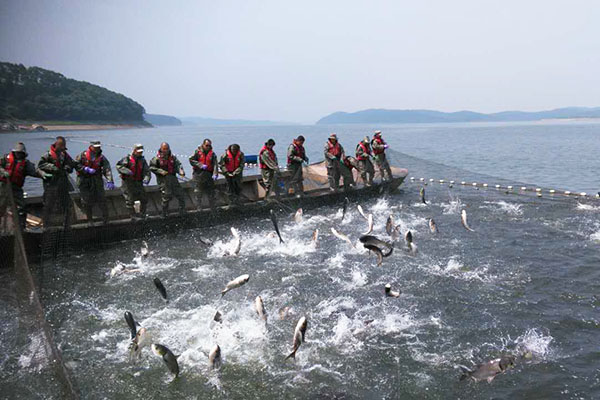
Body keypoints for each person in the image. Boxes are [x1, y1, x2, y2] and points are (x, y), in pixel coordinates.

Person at [0, 142, 47, 229]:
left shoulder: (26, 163)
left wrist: (43, 174)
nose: (19, 155)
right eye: (17, 153)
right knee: (1, 206)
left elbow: (35, 171)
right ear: (14, 152)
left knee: (21, 208)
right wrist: (3, 172)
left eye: (21, 153)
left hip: (16, 188)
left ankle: (21, 228)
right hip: (3, 186)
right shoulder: (5, 159)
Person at [38, 136, 80, 227]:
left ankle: (67, 224)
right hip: (51, 185)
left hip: (63, 184)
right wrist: (52, 168)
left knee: (67, 204)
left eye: (63, 148)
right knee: (49, 205)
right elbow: (40, 165)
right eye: (61, 147)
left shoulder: (64, 155)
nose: (62, 150)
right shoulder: (47, 155)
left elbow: (71, 163)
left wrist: (68, 167)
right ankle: (46, 225)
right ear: (56, 145)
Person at [75, 141, 115, 225]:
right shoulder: (82, 156)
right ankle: (89, 220)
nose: (98, 148)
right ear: (91, 147)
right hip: (84, 181)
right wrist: (85, 169)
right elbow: (76, 165)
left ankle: (106, 220)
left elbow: (107, 169)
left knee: (102, 200)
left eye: (99, 147)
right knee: (86, 201)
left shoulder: (101, 157)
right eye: (96, 147)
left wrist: (110, 180)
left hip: (97, 181)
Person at [149, 142, 187, 217]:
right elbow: (152, 167)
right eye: (164, 149)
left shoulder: (173, 158)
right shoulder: (156, 158)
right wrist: (161, 171)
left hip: (173, 179)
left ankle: (182, 210)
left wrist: (181, 171)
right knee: (166, 196)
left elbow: (178, 165)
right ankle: (164, 213)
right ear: (161, 149)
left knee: (180, 194)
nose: (165, 150)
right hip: (163, 180)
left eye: (167, 149)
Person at [116, 144, 151, 219]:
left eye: (141, 152)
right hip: (128, 183)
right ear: (134, 151)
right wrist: (127, 171)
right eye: (138, 152)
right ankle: (132, 216)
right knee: (130, 200)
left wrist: (146, 179)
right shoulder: (127, 159)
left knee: (144, 199)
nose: (140, 153)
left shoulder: (142, 160)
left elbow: (147, 171)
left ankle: (143, 214)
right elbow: (119, 166)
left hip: (138, 182)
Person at [189, 139, 218, 210]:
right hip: (198, 174)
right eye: (206, 145)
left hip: (208, 175)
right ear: (203, 145)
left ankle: (212, 207)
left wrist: (215, 174)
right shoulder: (197, 152)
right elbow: (191, 160)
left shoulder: (213, 154)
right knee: (198, 192)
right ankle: (199, 207)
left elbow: (215, 165)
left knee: (211, 192)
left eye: (209, 145)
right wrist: (200, 165)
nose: (208, 147)